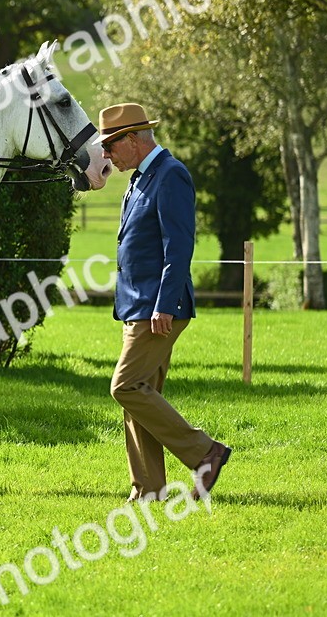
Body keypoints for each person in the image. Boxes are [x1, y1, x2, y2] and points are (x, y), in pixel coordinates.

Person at [99, 103, 231, 501]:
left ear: (133, 140)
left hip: (159, 307)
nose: (106, 154)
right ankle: (148, 488)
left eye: (110, 146)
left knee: (124, 387)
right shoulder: (140, 178)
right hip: (137, 305)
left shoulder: (171, 175)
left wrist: (164, 304)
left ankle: (205, 453)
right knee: (139, 394)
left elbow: (180, 246)